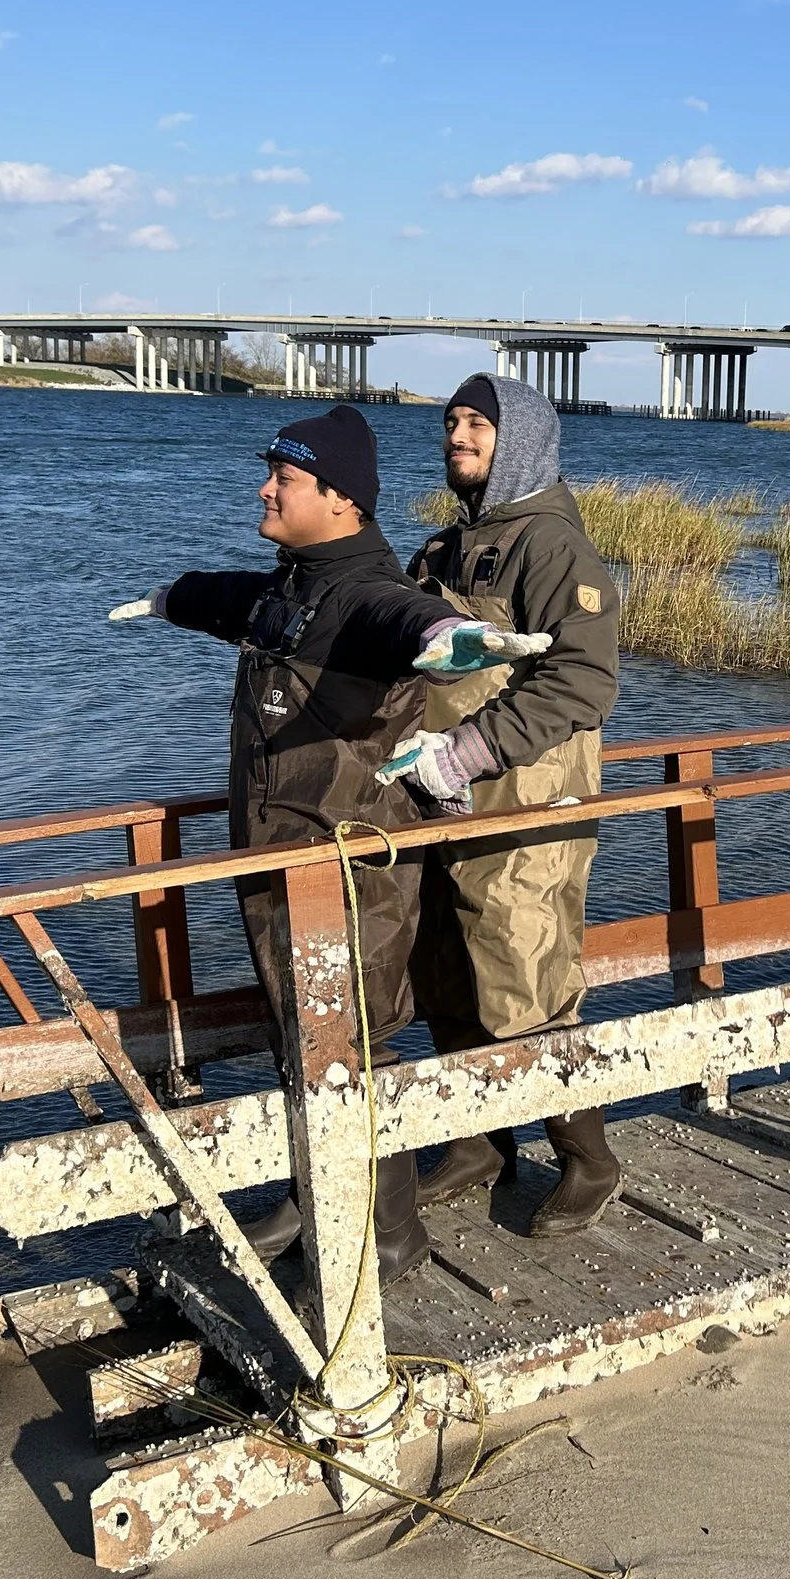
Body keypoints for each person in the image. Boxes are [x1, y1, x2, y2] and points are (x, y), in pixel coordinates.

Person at [109, 404, 548, 1279]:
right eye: (269, 471)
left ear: (342, 499)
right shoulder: (295, 582)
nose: (266, 488)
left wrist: (455, 641)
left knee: (353, 1041)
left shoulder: (361, 593)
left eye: (287, 478)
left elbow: (407, 621)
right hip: (276, 854)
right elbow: (231, 599)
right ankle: (317, 1195)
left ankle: (388, 1234)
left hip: (353, 866)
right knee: (298, 1030)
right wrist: (171, 598)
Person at [385, 373, 623, 1236]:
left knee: (525, 976)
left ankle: (590, 1158)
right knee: (447, 969)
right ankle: (482, 1144)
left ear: (520, 436)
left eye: (477, 423)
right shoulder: (448, 548)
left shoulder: (554, 546)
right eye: (451, 421)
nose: (457, 434)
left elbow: (586, 680)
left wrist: (469, 750)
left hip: (528, 805)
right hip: (444, 806)